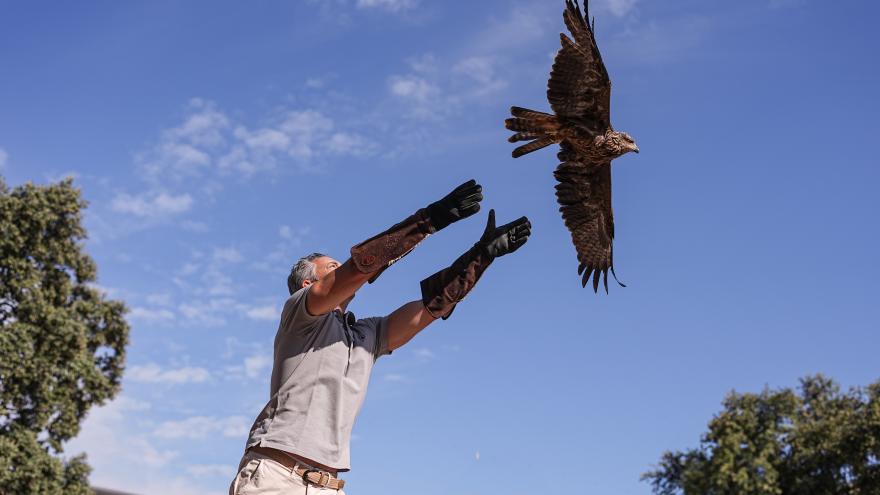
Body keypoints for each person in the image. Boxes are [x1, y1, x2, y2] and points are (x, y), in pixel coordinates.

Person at [229, 180, 531, 494]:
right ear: (307, 284)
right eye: (332, 268)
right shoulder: (299, 316)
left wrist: (481, 257)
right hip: (277, 476)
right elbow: (357, 270)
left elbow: (429, 309)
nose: (340, 270)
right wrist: (429, 220)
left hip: (330, 486)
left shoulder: (365, 335)